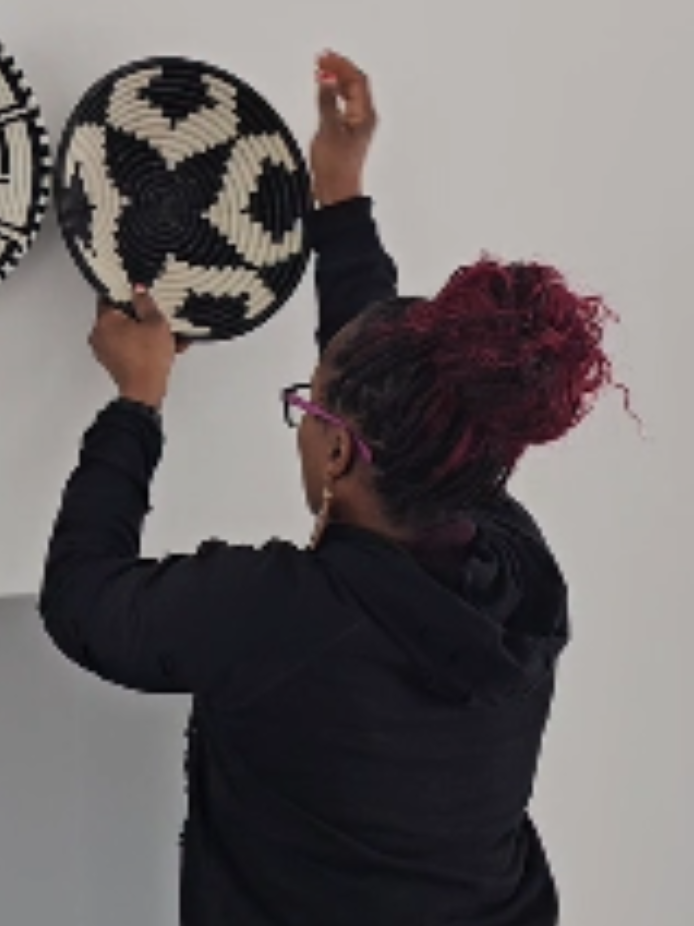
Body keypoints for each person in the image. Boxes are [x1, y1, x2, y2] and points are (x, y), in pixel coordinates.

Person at [38, 51, 625, 926]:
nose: (306, 416)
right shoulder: (518, 577)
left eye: (308, 405)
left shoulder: (279, 619)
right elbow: (401, 371)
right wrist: (340, 194)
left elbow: (83, 602)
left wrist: (137, 403)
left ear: (342, 455)